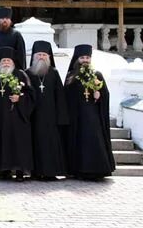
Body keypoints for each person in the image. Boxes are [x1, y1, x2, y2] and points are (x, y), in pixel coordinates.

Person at [62, 44, 115, 180]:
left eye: (87, 57)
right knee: (79, 143)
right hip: (77, 117)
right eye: (82, 57)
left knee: (94, 141)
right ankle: (78, 171)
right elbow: (66, 97)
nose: (85, 60)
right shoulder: (71, 76)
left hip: (93, 117)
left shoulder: (97, 75)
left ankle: (97, 171)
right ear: (76, 59)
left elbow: (106, 95)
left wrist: (100, 95)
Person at [0, 47, 35, 181]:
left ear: (13, 62)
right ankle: (5, 170)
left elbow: (31, 94)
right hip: (1, 117)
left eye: (8, 60)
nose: (6, 63)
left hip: (18, 117)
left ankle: (20, 171)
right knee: (2, 142)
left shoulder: (21, 74)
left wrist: (20, 99)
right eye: (3, 61)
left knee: (19, 144)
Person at [27, 41, 69, 180]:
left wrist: (61, 117)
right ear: (34, 56)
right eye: (39, 55)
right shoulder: (28, 73)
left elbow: (60, 96)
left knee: (50, 145)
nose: (41, 57)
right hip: (34, 116)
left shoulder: (54, 73)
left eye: (44, 55)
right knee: (35, 144)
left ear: (49, 57)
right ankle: (36, 172)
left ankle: (51, 172)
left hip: (51, 117)